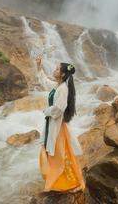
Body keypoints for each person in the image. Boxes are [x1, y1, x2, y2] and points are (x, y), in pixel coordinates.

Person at [36, 57, 85, 193]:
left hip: (56, 126)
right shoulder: (58, 86)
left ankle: (71, 183)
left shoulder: (63, 89)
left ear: (63, 74)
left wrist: (46, 111)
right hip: (52, 124)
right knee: (56, 153)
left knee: (59, 155)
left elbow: (59, 108)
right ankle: (58, 181)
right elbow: (45, 83)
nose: (54, 70)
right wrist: (39, 67)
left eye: (57, 69)